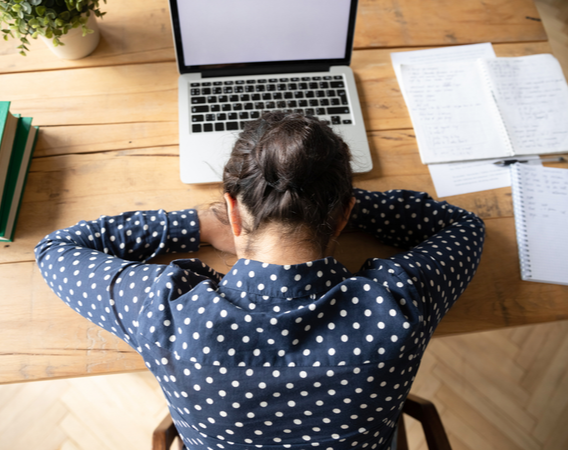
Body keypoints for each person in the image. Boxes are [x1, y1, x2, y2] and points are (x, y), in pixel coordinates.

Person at [35, 111, 485, 450]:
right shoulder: (398, 308)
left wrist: (194, 224)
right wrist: (322, 205)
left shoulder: (168, 315)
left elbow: (55, 251)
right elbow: (466, 228)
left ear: (233, 211)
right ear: (344, 213)